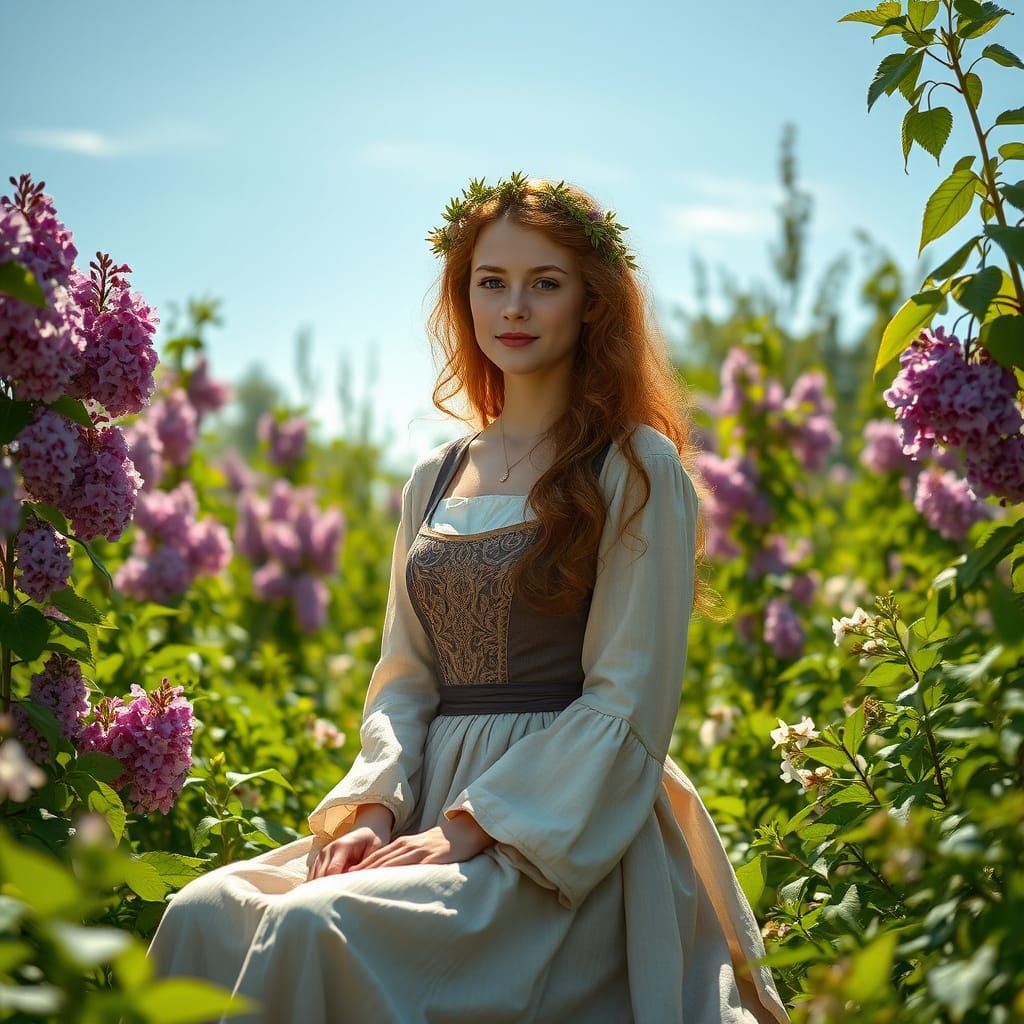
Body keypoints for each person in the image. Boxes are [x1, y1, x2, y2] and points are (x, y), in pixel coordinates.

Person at [146, 172, 791, 1024]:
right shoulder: (435, 476)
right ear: (465, 296)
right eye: (492, 282)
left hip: (557, 829)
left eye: (544, 284)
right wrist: (375, 805)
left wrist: (472, 825)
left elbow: (627, 700)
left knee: (311, 927)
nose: (513, 307)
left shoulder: (634, 467)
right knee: (202, 914)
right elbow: (405, 676)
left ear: (592, 304)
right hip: (418, 806)